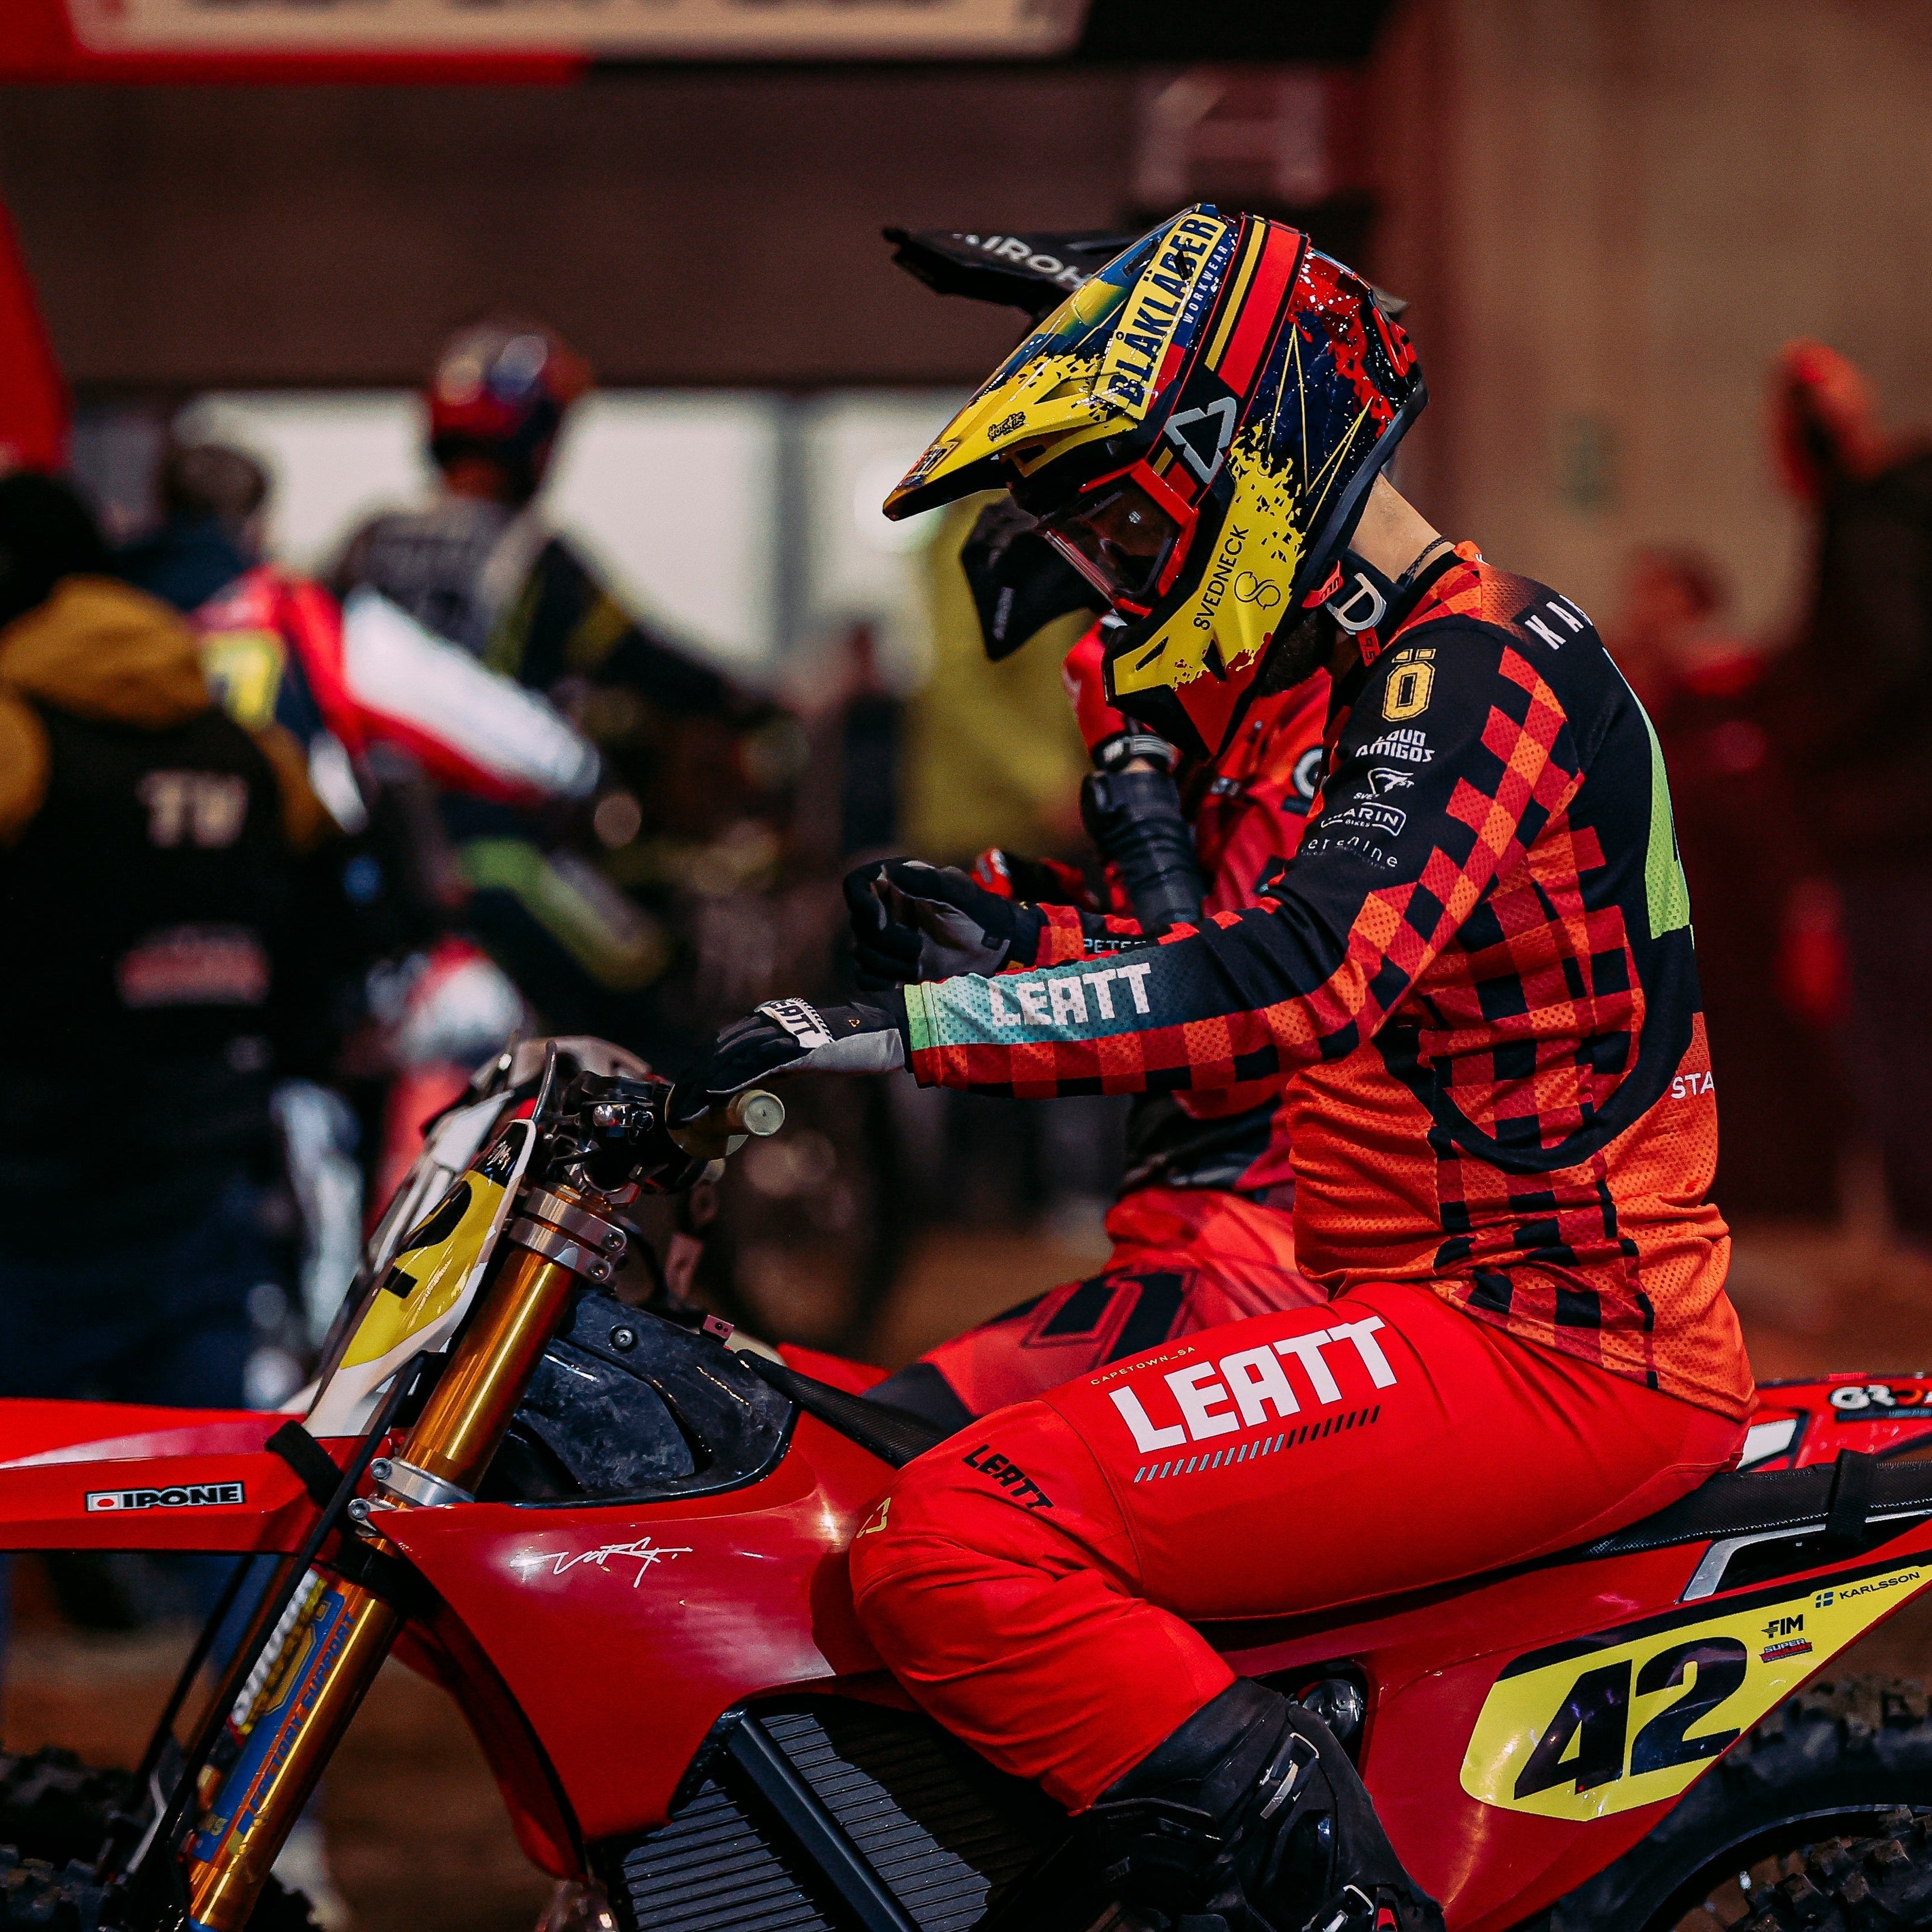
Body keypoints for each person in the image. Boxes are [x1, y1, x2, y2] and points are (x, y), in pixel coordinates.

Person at [672, 209, 1752, 1932]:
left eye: (1116, 516)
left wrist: (894, 1033)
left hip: (1545, 1338)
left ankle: (1333, 1906)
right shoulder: (1373, 677)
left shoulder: (1471, 667)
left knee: (955, 1538)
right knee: (867, 1483)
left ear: (1247, 444)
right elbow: (1236, 941)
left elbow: (1294, 980)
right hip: (1407, 1307)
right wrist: (998, 934)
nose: (1107, 576)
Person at [0, 472, 328, 1425]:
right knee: (205, 1499)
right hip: (202, 1175)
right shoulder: (251, 749)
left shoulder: (17, 732)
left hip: (29, 1195)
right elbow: (333, 926)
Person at [1606, 546, 1842, 1218]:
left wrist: (1804, 905)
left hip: (1743, 919)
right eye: (1640, 596)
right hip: (1667, 915)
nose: (1646, 615)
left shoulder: (1737, 693)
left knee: (1766, 1060)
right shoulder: (1628, 692)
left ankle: (1790, 1201)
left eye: (1663, 598)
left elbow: (1774, 816)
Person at [1764, 340, 1932, 1243]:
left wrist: (1797, 718)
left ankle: (1917, 1236)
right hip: (1903, 823)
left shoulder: (1869, 525)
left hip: (1893, 827)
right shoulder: (1903, 517)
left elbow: (1883, 656)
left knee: (1899, 1033)